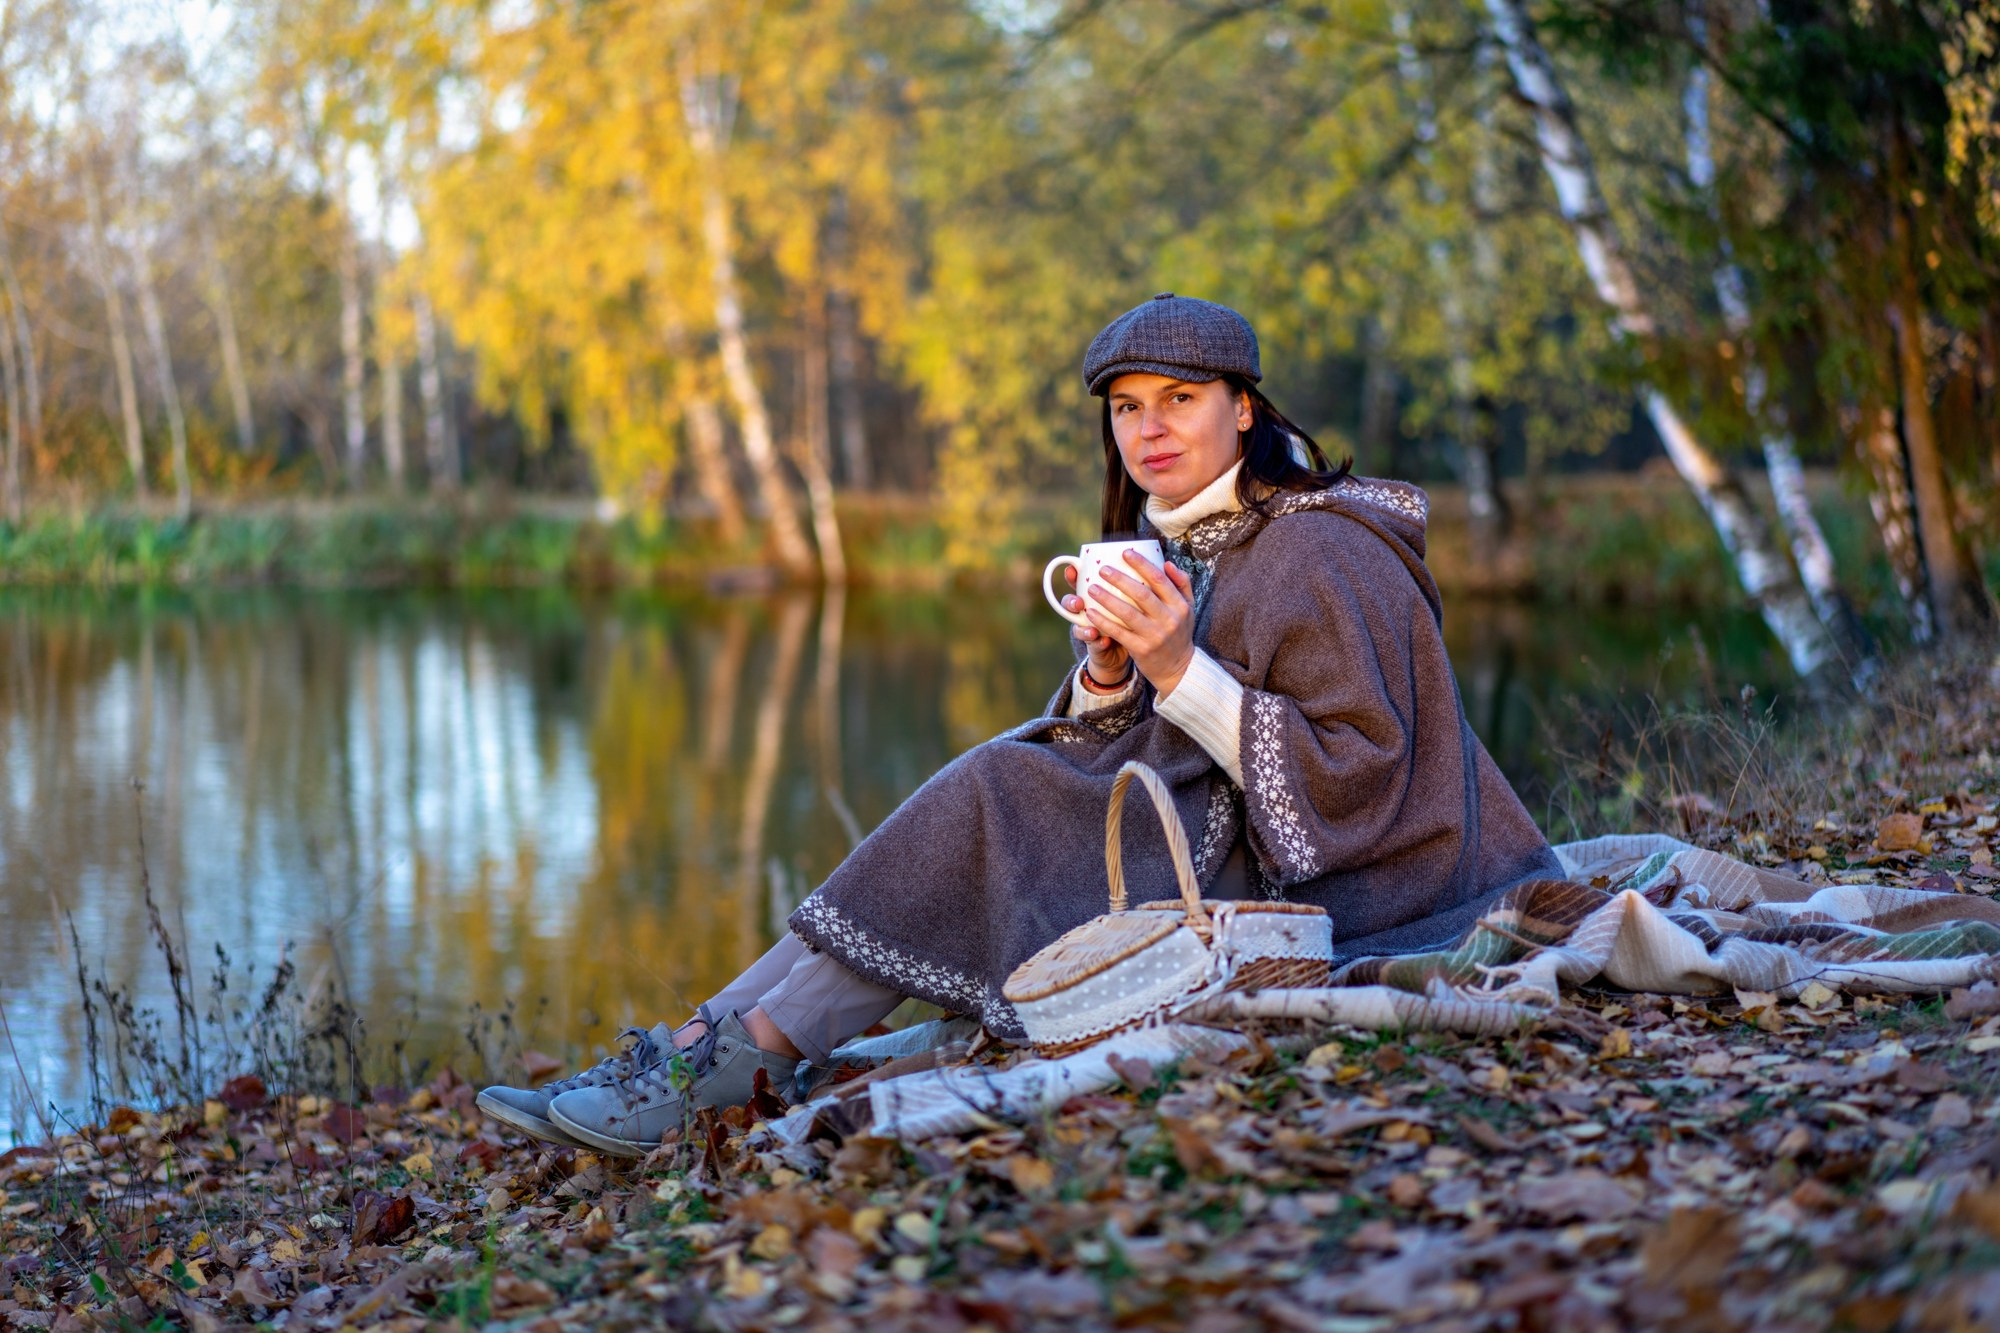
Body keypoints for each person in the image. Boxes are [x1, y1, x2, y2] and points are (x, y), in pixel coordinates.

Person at [477, 294, 1562, 1156]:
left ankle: (729, 1059)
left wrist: (1175, 663)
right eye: (1126, 406)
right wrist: (1105, 676)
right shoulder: (1190, 542)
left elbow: (1360, 778)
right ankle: (701, 1047)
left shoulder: (1315, 549)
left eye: (1177, 399)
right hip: (1222, 846)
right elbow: (1143, 737)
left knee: (997, 789)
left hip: (1360, 890)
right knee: (1006, 775)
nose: (1147, 428)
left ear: (1243, 407)